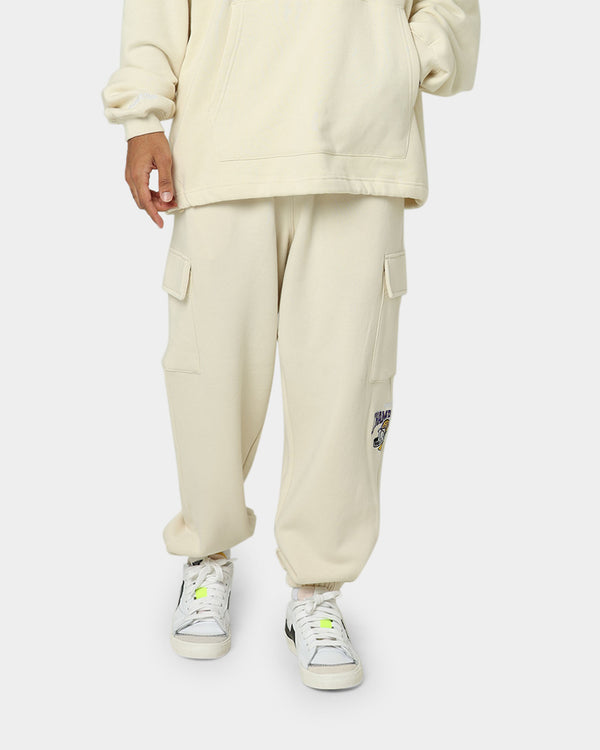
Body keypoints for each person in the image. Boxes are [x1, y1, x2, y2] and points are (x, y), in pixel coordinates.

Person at [101, 0, 480, 690]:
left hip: (359, 151)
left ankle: (318, 588)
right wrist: (142, 116)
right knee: (208, 374)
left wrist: (393, 59)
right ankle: (206, 553)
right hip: (221, 148)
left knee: (346, 384)